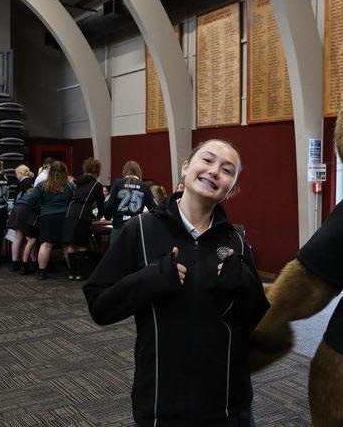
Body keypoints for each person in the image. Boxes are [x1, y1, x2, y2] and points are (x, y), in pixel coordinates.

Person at [84, 140, 269, 427]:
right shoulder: (141, 230)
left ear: (231, 189)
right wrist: (152, 278)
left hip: (228, 404)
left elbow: (254, 317)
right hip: (162, 402)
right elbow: (100, 306)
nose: (214, 171)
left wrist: (244, 284)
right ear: (185, 168)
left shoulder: (236, 241)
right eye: (207, 160)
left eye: (227, 170)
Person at [29, 161, 74, 279]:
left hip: (47, 217)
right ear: (65, 172)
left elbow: (32, 200)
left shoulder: (42, 185)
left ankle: (42, 272)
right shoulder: (69, 186)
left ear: (50, 171)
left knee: (46, 244)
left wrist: (40, 210)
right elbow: (74, 201)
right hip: (64, 217)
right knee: (66, 245)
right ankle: (71, 271)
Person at [62, 157, 104, 281]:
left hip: (70, 213)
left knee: (71, 244)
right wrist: (99, 216)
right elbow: (101, 204)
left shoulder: (77, 182)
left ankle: (71, 273)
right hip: (83, 215)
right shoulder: (96, 185)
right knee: (81, 245)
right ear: (97, 170)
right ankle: (79, 273)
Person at [103, 160, 156, 244]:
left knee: (116, 252)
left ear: (124, 171)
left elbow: (108, 206)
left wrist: (108, 217)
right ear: (139, 171)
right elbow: (156, 209)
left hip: (119, 227)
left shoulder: (117, 183)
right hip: (136, 228)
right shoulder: (144, 186)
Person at [5, 165, 35, 272]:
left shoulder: (21, 183)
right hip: (28, 210)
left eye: (16, 174)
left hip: (19, 209)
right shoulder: (32, 182)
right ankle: (30, 261)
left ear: (20, 173)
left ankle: (15, 262)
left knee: (18, 237)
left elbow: (16, 199)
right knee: (29, 238)